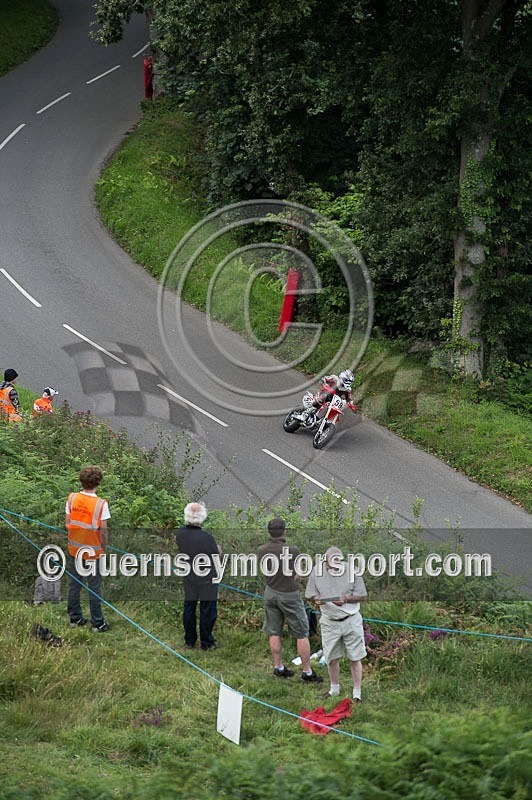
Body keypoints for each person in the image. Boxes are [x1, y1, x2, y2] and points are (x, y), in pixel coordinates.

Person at [258, 517, 323, 683]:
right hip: (289, 594)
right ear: (284, 531)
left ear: (269, 532)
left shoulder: (262, 550)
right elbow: (296, 573)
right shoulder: (292, 550)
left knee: (274, 630)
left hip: (270, 592)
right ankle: (307, 672)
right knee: (301, 632)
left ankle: (278, 667)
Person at [305, 546, 368, 701]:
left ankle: (357, 693)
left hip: (351, 619)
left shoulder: (352, 570)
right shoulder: (316, 571)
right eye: (329, 565)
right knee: (331, 656)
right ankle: (334, 689)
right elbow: (309, 592)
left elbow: (363, 595)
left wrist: (346, 599)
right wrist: (315, 599)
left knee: (355, 657)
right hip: (329, 620)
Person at [66, 466, 111, 632]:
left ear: (81, 481)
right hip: (93, 552)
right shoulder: (100, 504)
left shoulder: (72, 498)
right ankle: (98, 623)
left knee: (74, 584)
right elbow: (103, 531)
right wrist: (103, 548)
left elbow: (67, 522)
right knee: (94, 587)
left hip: (74, 549)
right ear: (98, 482)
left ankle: (75, 618)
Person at [176, 502, 221, 651]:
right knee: (207, 609)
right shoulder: (206, 537)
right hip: (206, 576)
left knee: (189, 606)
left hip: (189, 573)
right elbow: (217, 554)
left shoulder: (180, 533)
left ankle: (190, 639)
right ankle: (207, 641)